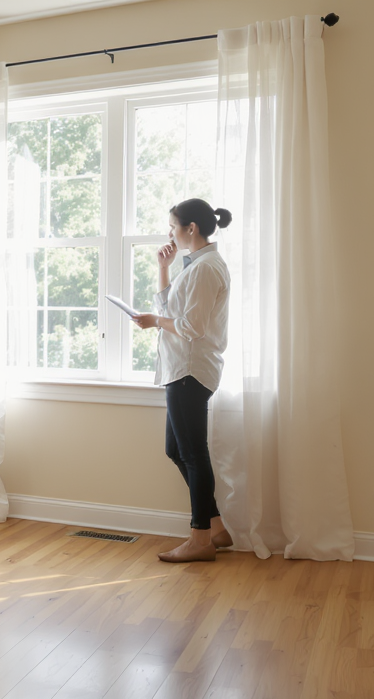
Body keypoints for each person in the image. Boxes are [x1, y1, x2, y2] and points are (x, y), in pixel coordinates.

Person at [131, 199, 233, 563]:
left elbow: (190, 327)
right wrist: (163, 268)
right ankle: (216, 527)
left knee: (192, 452)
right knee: (177, 450)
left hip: (191, 370)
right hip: (181, 369)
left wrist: (154, 322)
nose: (169, 232)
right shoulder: (196, 266)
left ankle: (200, 538)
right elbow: (170, 310)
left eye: (172, 225)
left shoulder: (206, 269)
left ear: (191, 228)